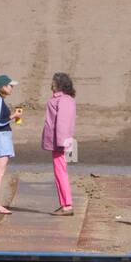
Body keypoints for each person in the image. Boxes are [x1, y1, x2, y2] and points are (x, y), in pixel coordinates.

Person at [41, 72, 77, 216]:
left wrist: (62, 143)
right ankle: (65, 203)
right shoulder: (64, 99)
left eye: (53, 83)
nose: (51, 85)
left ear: (59, 85)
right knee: (60, 172)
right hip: (60, 141)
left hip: (60, 142)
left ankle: (67, 205)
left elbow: (63, 123)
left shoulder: (64, 100)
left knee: (61, 172)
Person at [0, 74, 22, 214]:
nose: (12, 88)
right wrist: (13, 116)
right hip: (1, 137)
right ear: (3, 87)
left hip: (1, 137)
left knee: (0, 172)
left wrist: (10, 118)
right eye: (10, 85)